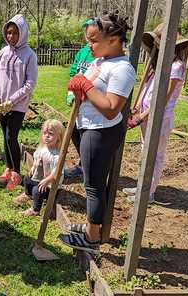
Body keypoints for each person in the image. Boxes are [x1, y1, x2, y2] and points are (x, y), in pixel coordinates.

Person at [58, 11, 135, 253]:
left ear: (113, 40)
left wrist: (85, 85)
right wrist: (79, 84)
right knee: (90, 181)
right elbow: (84, 81)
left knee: (93, 185)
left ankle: (92, 238)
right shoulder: (101, 61)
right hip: (87, 126)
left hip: (101, 131)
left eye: (93, 40)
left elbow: (111, 109)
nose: (88, 45)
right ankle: (93, 227)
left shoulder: (122, 69)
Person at [124, 24, 188, 203]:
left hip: (160, 118)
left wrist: (143, 115)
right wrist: (137, 107)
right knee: (145, 151)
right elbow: (146, 90)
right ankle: (142, 186)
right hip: (146, 115)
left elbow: (162, 98)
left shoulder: (176, 67)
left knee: (155, 155)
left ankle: (149, 192)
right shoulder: (158, 66)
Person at [0, 14, 38, 189]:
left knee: (12, 136)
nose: (11, 36)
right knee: (5, 136)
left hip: (17, 104)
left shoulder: (29, 55)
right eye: (8, 33)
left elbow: (30, 83)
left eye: (14, 33)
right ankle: (8, 168)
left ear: (22, 34)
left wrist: (11, 100)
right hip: (1, 103)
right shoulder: (3, 52)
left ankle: (17, 173)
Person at [64, 19, 95, 178]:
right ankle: (83, 163)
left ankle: (88, 167)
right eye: (87, 34)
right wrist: (70, 92)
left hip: (90, 101)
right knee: (75, 132)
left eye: (92, 34)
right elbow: (73, 72)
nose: (88, 37)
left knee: (85, 135)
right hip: (77, 101)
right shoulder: (83, 52)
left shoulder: (99, 55)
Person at [13, 119, 64, 216]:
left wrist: (47, 180)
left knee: (37, 190)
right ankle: (28, 194)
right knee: (27, 179)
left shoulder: (57, 156)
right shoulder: (42, 148)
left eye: (51, 134)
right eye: (45, 133)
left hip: (51, 185)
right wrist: (33, 167)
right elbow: (36, 157)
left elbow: (57, 173)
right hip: (40, 178)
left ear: (59, 137)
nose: (47, 136)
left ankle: (35, 210)